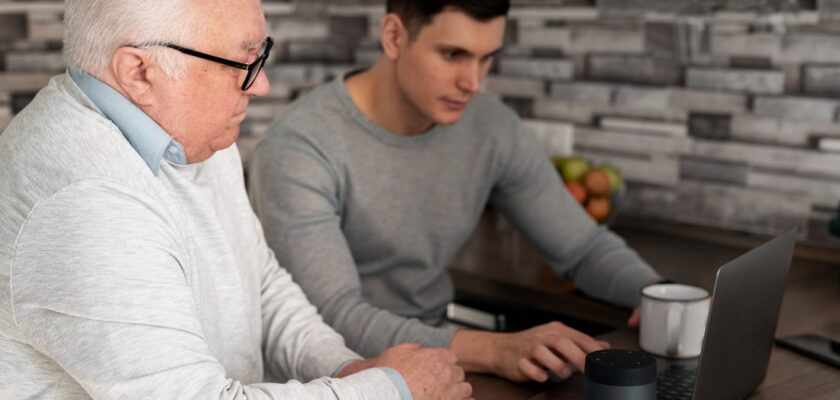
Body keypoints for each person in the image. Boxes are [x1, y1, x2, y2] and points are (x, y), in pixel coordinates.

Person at [0, 1, 473, 399]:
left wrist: (348, 369)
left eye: (258, 54)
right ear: (139, 72)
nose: (259, 83)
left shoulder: (192, 132)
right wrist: (390, 388)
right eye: (242, 61)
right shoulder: (84, 204)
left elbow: (259, 281)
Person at [249, 0, 663, 384]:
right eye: (453, 55)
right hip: (338, 379)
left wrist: (660, 295)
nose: (472, 82)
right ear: (394, 37)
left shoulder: (492, 128)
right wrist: (493, 349)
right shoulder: (299, 147)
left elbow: (583, 246)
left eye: (486, 58)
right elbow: (331, 317)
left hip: (441, 361)